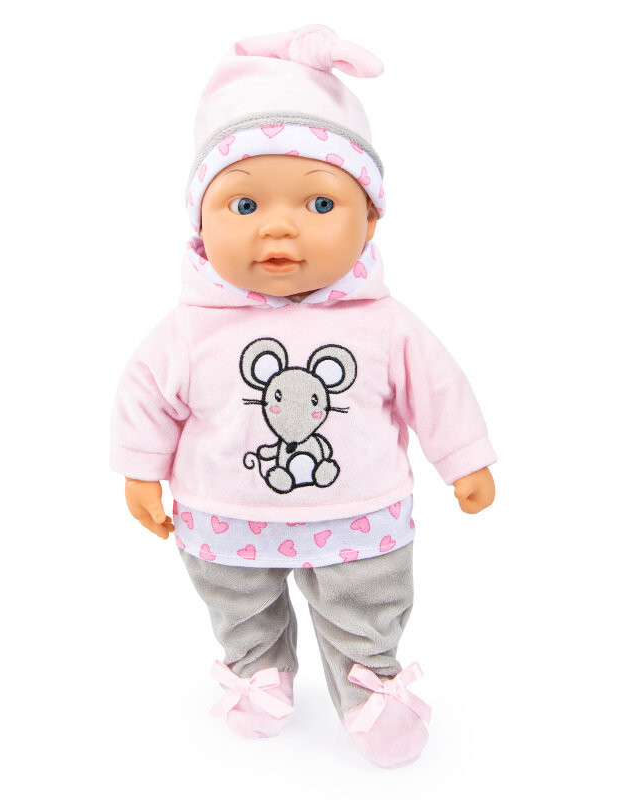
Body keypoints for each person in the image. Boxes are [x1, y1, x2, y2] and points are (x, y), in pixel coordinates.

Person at [110, 23, 496, 769]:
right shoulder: (189, 328)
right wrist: (139, 471)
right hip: (223, 517)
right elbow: (144, 397)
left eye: (320, 205)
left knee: (367, 604)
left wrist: (465, 459)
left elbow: (439, 389)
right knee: (238, 602)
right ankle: (257, 668)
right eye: (244, 206)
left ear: (370, 219)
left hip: (360, 516)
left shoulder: (385, 323)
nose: (279, 228)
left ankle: (371, 683)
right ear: (200, 222)